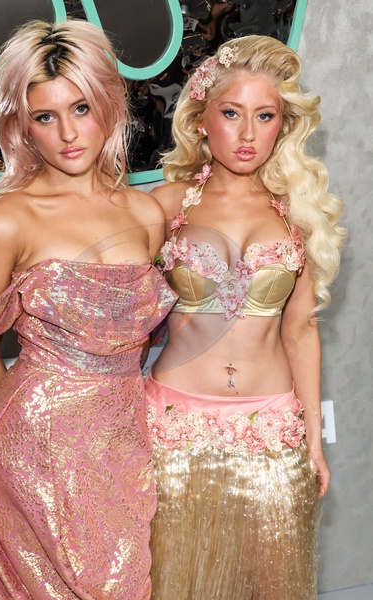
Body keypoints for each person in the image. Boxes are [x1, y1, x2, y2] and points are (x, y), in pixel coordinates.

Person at [0, 19, 176, 600]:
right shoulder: (9, 219)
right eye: (45, 117)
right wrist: (27, 434)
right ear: (22, 126)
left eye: (81, 108)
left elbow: (131, 339)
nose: (68, 133)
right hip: (34, 441)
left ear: (108, 104)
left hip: (122, 438)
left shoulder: (146, 214)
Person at [146, 35, 346, 599]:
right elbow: (125, 321)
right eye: (232, 113)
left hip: (272, 427)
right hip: (172, 428)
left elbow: (300, 330)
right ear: (201, 118)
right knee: (175, 582)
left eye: (265, 116)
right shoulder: (164, 205)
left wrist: (313, 441)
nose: (248, 133)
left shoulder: (300, 214)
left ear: (283, 126)